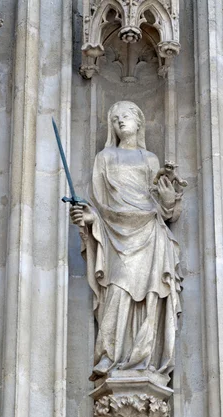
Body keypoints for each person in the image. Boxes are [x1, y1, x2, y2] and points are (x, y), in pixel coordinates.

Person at [70, 101, 182, 380]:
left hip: (148, 233)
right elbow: (98, 205)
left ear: (140, 122)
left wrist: (169, 199)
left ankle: (144, 359)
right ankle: (112, 356)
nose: (121, 121)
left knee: (152, 295)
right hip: (115, 235)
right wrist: (89, 218)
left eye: (127, 116)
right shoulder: (105, 158)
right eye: (116, 118)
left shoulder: (150, 160)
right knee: (117, 289)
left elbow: (162, 204)